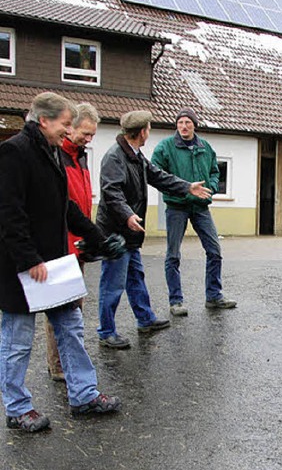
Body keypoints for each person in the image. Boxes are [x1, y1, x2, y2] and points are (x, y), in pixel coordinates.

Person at [0, 92, 122, 433]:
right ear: (44, 120)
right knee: (18, 339)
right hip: (22, 270)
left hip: (55, 264)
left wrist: (97, 237)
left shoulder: (52, 152)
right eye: (65, 124)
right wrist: (28, 259)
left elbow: (64, 207)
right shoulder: (13, 153)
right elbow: (9, 214)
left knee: (71, 328)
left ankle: (83, 395)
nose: (68, 132)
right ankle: (17, 408)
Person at [96, 110, 212, 349]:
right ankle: (106, 331)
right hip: (116, 231)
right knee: (113, 283)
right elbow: (111, 192)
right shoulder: (115, 157)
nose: (149, 131)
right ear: (142, 132)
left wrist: (187, 187)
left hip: (130, 230)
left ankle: (145, 319)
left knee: (135, 276)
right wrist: (127, 214)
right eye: (148, 128)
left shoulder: (135, 155)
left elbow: (159, 177)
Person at [151, 107, 236, 316]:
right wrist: (178, 189)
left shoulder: (205, 147)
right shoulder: (165, 147)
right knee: (173, 254)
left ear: (194, 125)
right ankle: (176, 301)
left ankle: (214, 296)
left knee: (214, 251)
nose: (184, 126)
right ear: (176, 125)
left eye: (188, 122)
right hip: (176, 207)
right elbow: (154, 174)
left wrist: (212, 189)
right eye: (180, 123)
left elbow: (215, 172)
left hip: (200, 207)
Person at [44, 103, 100, 382]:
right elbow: (63, 204)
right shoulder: (56, 155)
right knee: (61, 307)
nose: (88, 139)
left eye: (92, 135)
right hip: (61, 242)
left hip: (78, 242)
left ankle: (66, 360)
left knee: (76, 306)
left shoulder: (80, 156)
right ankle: (58, 366)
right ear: (71, 127)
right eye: (85, 133)